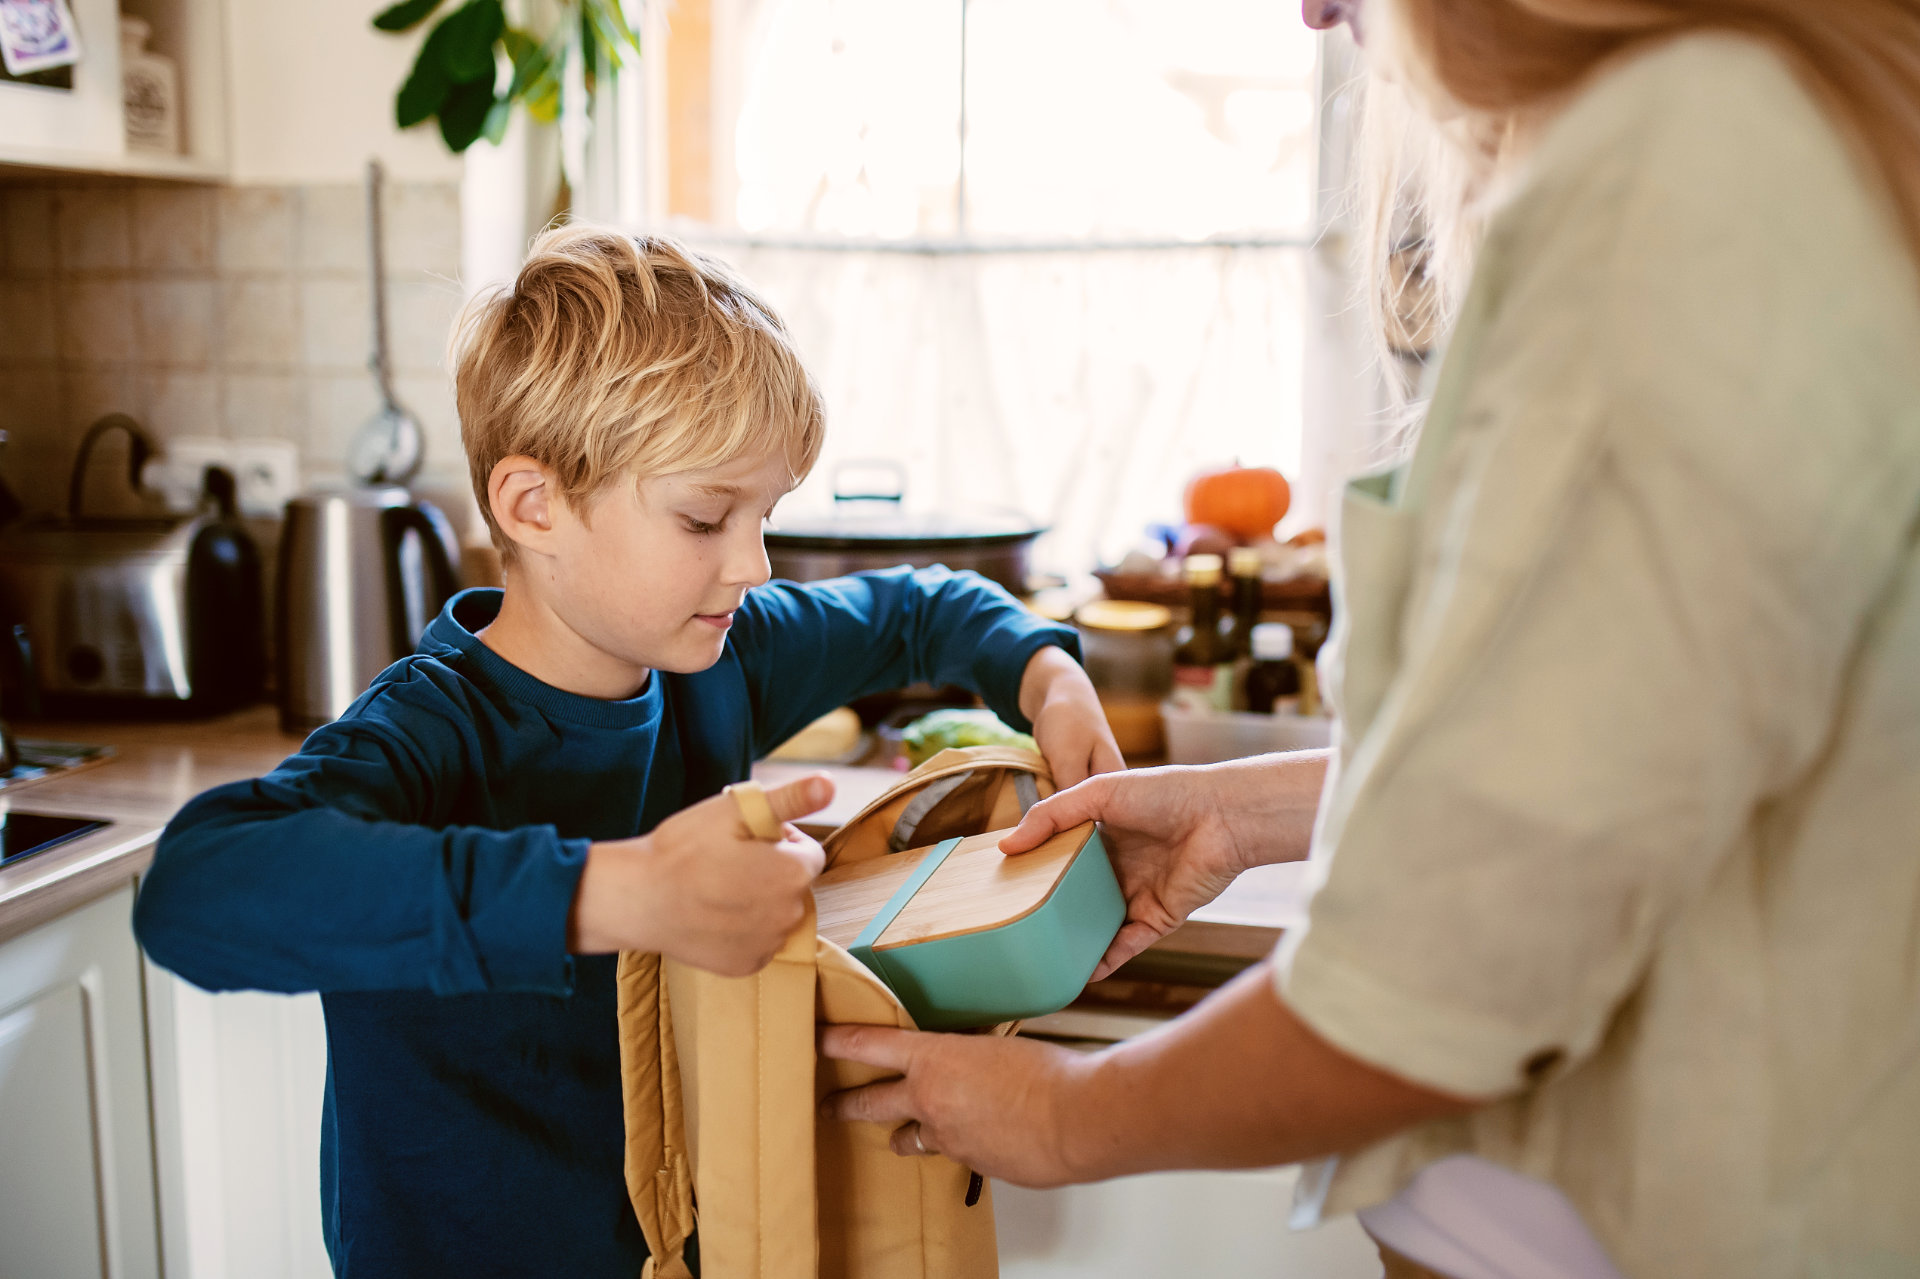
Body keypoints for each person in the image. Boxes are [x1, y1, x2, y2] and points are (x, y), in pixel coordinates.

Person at [821, 2, 1920, 1276]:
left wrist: (1068, 1116)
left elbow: (1452, 969)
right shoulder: (1756, 139)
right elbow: (1605, 768)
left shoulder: (1676, 183)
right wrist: (1251, 811)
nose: (1312, 8)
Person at [133, 227, 1122, 1279]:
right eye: (706, 517)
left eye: (764, 514)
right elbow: (194, 889)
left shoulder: (719, 656)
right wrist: (616, 892)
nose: (752, 563)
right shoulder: (432, 733)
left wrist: (1046, 676)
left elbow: (926, 606)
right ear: (534, 504)